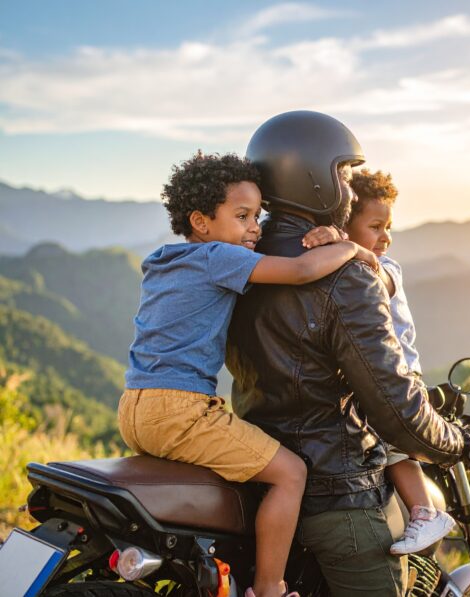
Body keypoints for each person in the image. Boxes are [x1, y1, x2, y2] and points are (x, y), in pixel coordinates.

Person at [227, 111, 470, 597]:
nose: (346, 184)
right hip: (337, 493)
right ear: (315, 177)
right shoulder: (346, 274)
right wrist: (455, 442)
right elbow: (396, 408)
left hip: (258, 473)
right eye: (342, 172)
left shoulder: (240, 260)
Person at [118, 151, 378, 597]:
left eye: (258, 215)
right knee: (290, 473)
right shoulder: (218, 257)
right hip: (182, 410)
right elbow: (299, 271)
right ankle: (268, 587)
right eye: (242, 216)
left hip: (135, 408)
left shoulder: (164, 259)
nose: (256, 228)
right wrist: (352, 247)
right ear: (200, 221)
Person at [344, 168, 455, 555]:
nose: (385, 237)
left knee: (393, 447)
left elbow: (373, 275)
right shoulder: (356, 264)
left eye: (387, 226)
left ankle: (425, 512)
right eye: (375, 226)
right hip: (380, 375)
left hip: (400, 377)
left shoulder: (383, 268)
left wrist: (345, 246)